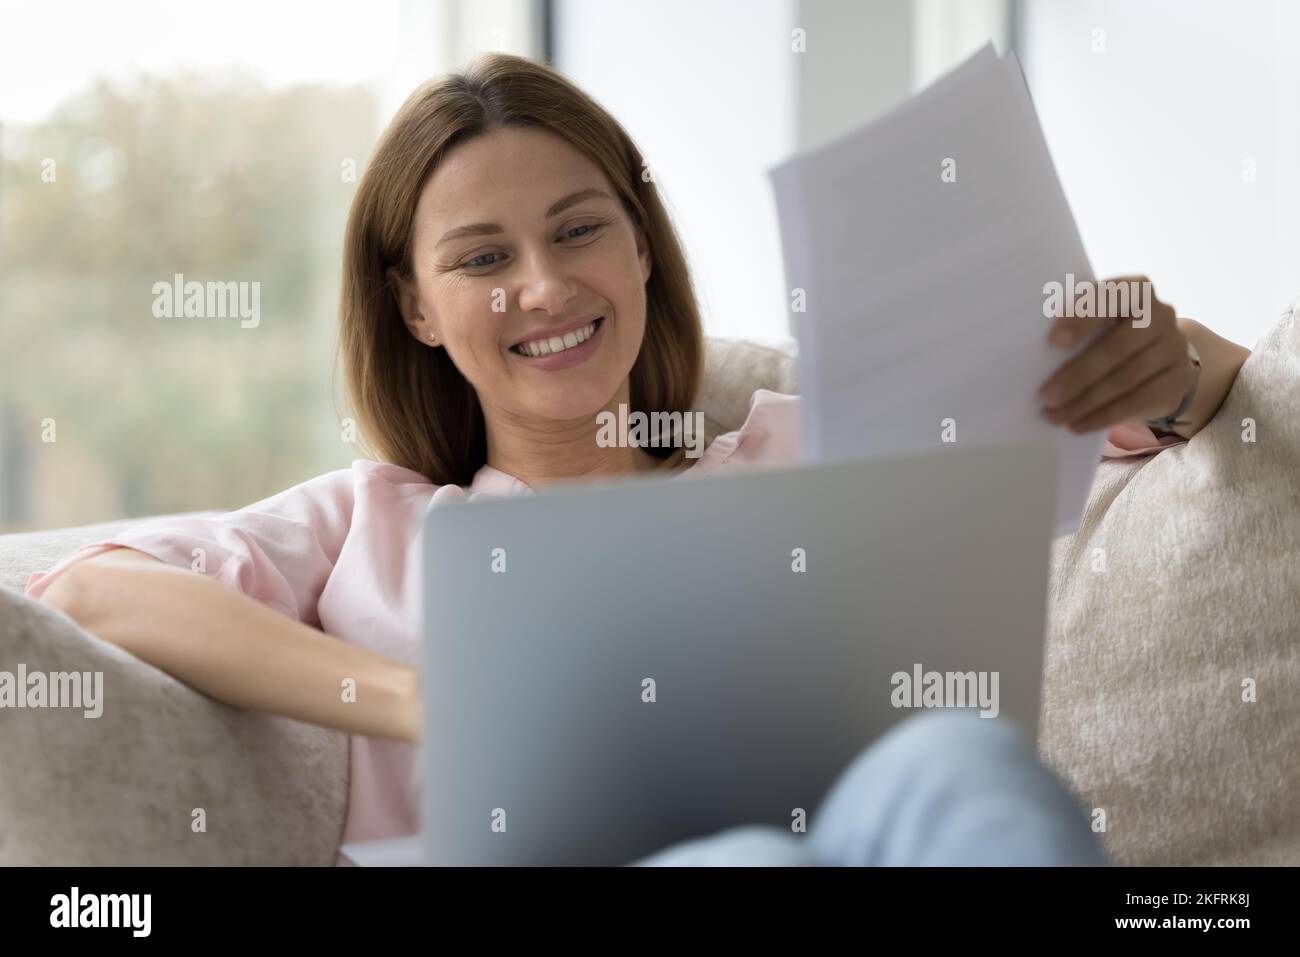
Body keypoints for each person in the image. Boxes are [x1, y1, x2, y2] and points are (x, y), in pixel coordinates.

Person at [27, 53, 1251, 866]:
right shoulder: (376, 523)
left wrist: (1170, 359)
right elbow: (89, 590)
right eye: (481, 258)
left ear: (642, 248)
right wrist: (418, 699)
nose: (546, 286)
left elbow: (1163, 421)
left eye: (578, 230)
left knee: (959, 759)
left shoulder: (800, 450)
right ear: (412, 307)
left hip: (844, 839)